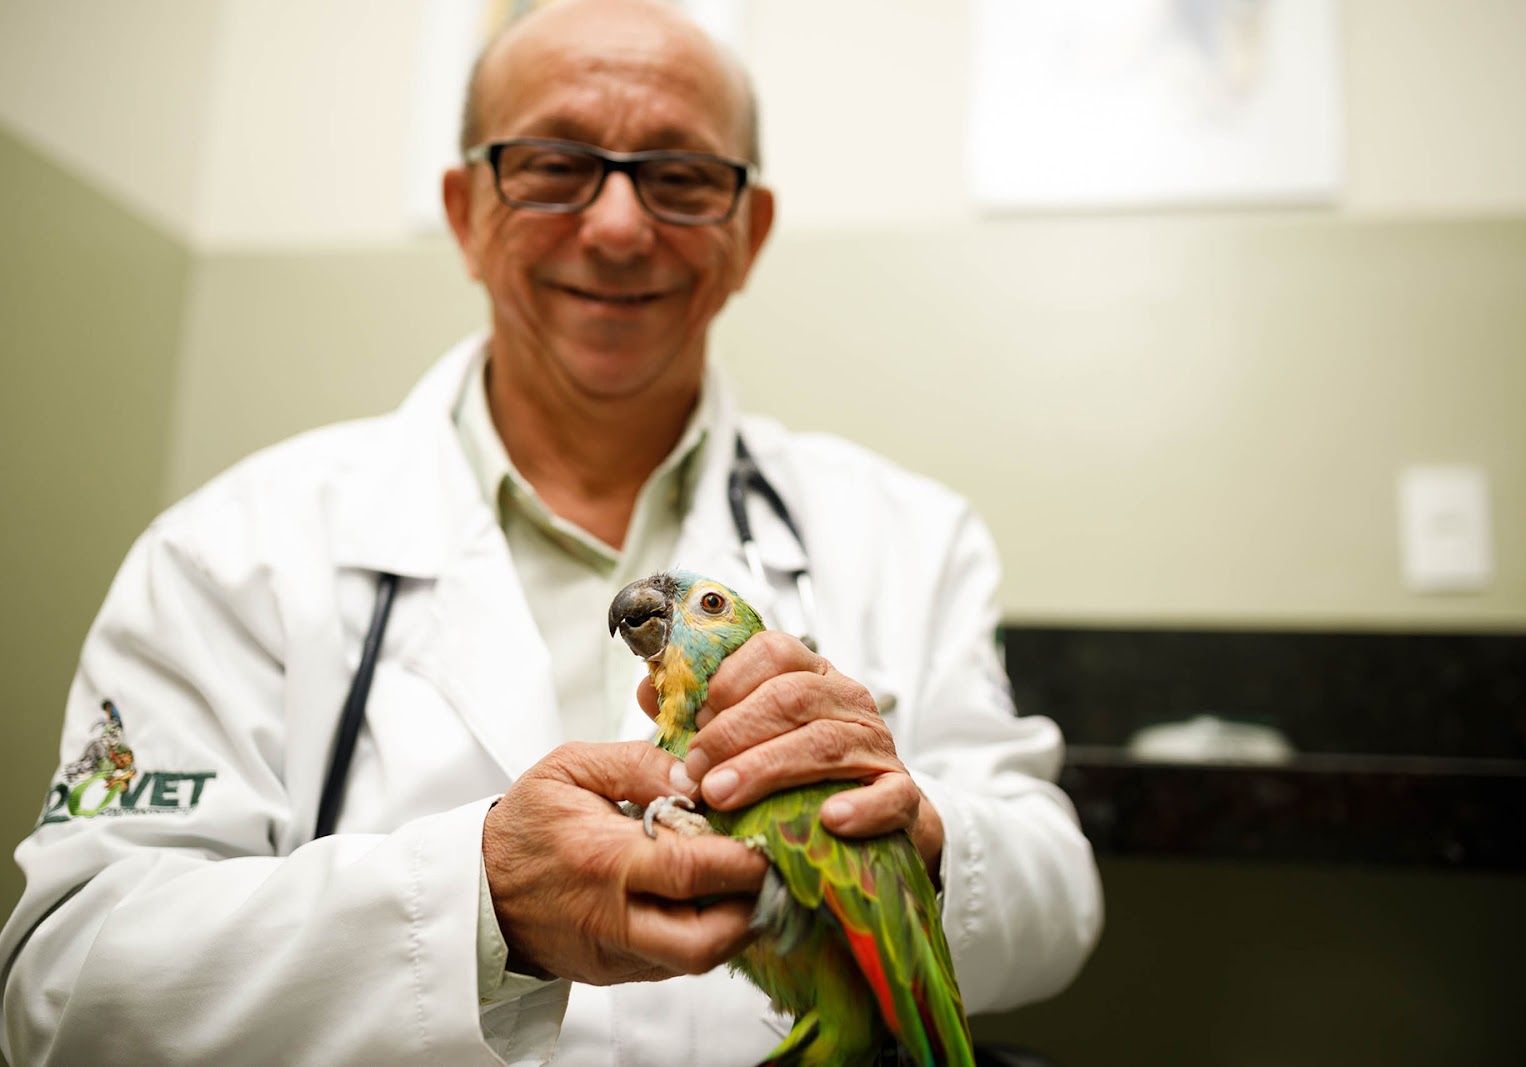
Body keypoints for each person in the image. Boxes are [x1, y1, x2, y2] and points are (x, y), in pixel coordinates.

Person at [0, 1, 1102, 1063]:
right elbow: (64, 993)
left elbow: (1057, 898)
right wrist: (474, 902)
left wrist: (908, 837)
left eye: (678, 177)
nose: (617, 225)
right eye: (552, 164)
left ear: (747, 231)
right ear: (466, 213)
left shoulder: (906, 535)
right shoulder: (230, 551)